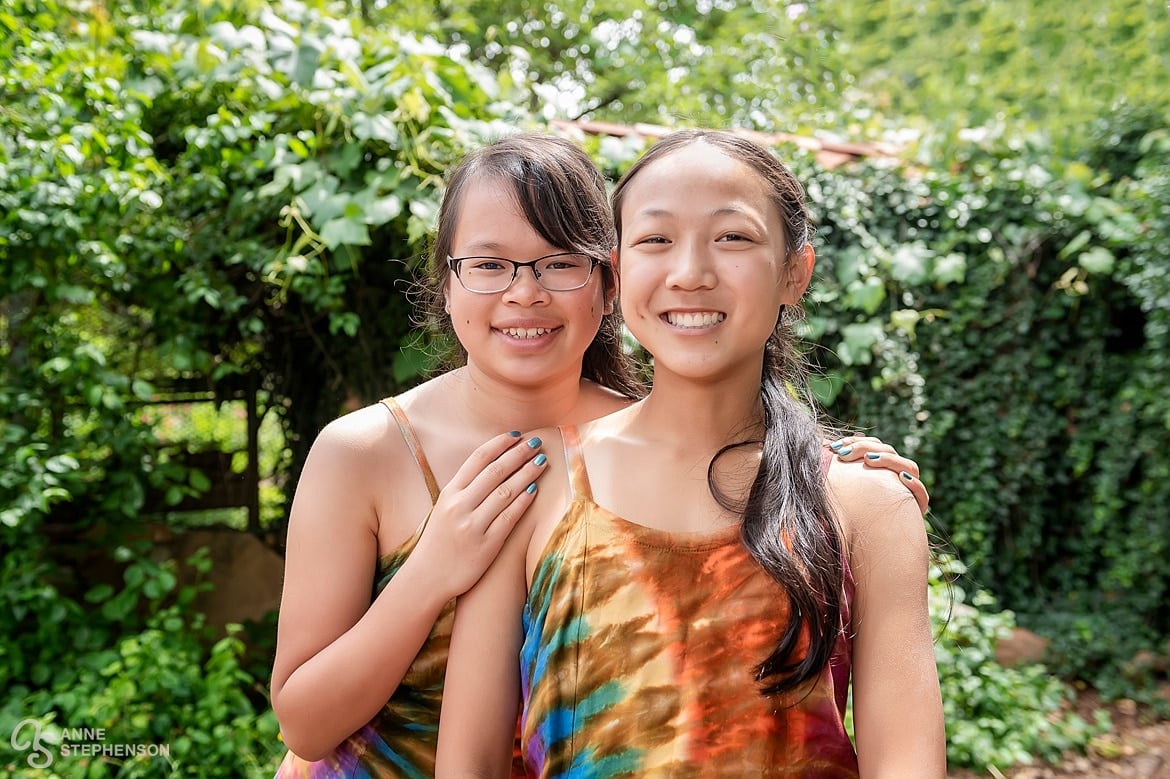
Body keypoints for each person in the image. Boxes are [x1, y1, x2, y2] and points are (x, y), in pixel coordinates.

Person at [269, 134, 931, 777]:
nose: (524, 293)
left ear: (607, 284)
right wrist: (434, 567)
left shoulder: (627, 447)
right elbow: (304, 722)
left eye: (560, 263)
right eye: (489, 264)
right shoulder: (369, 452)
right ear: (446, 282)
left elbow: (728, 436)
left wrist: (838, 475)